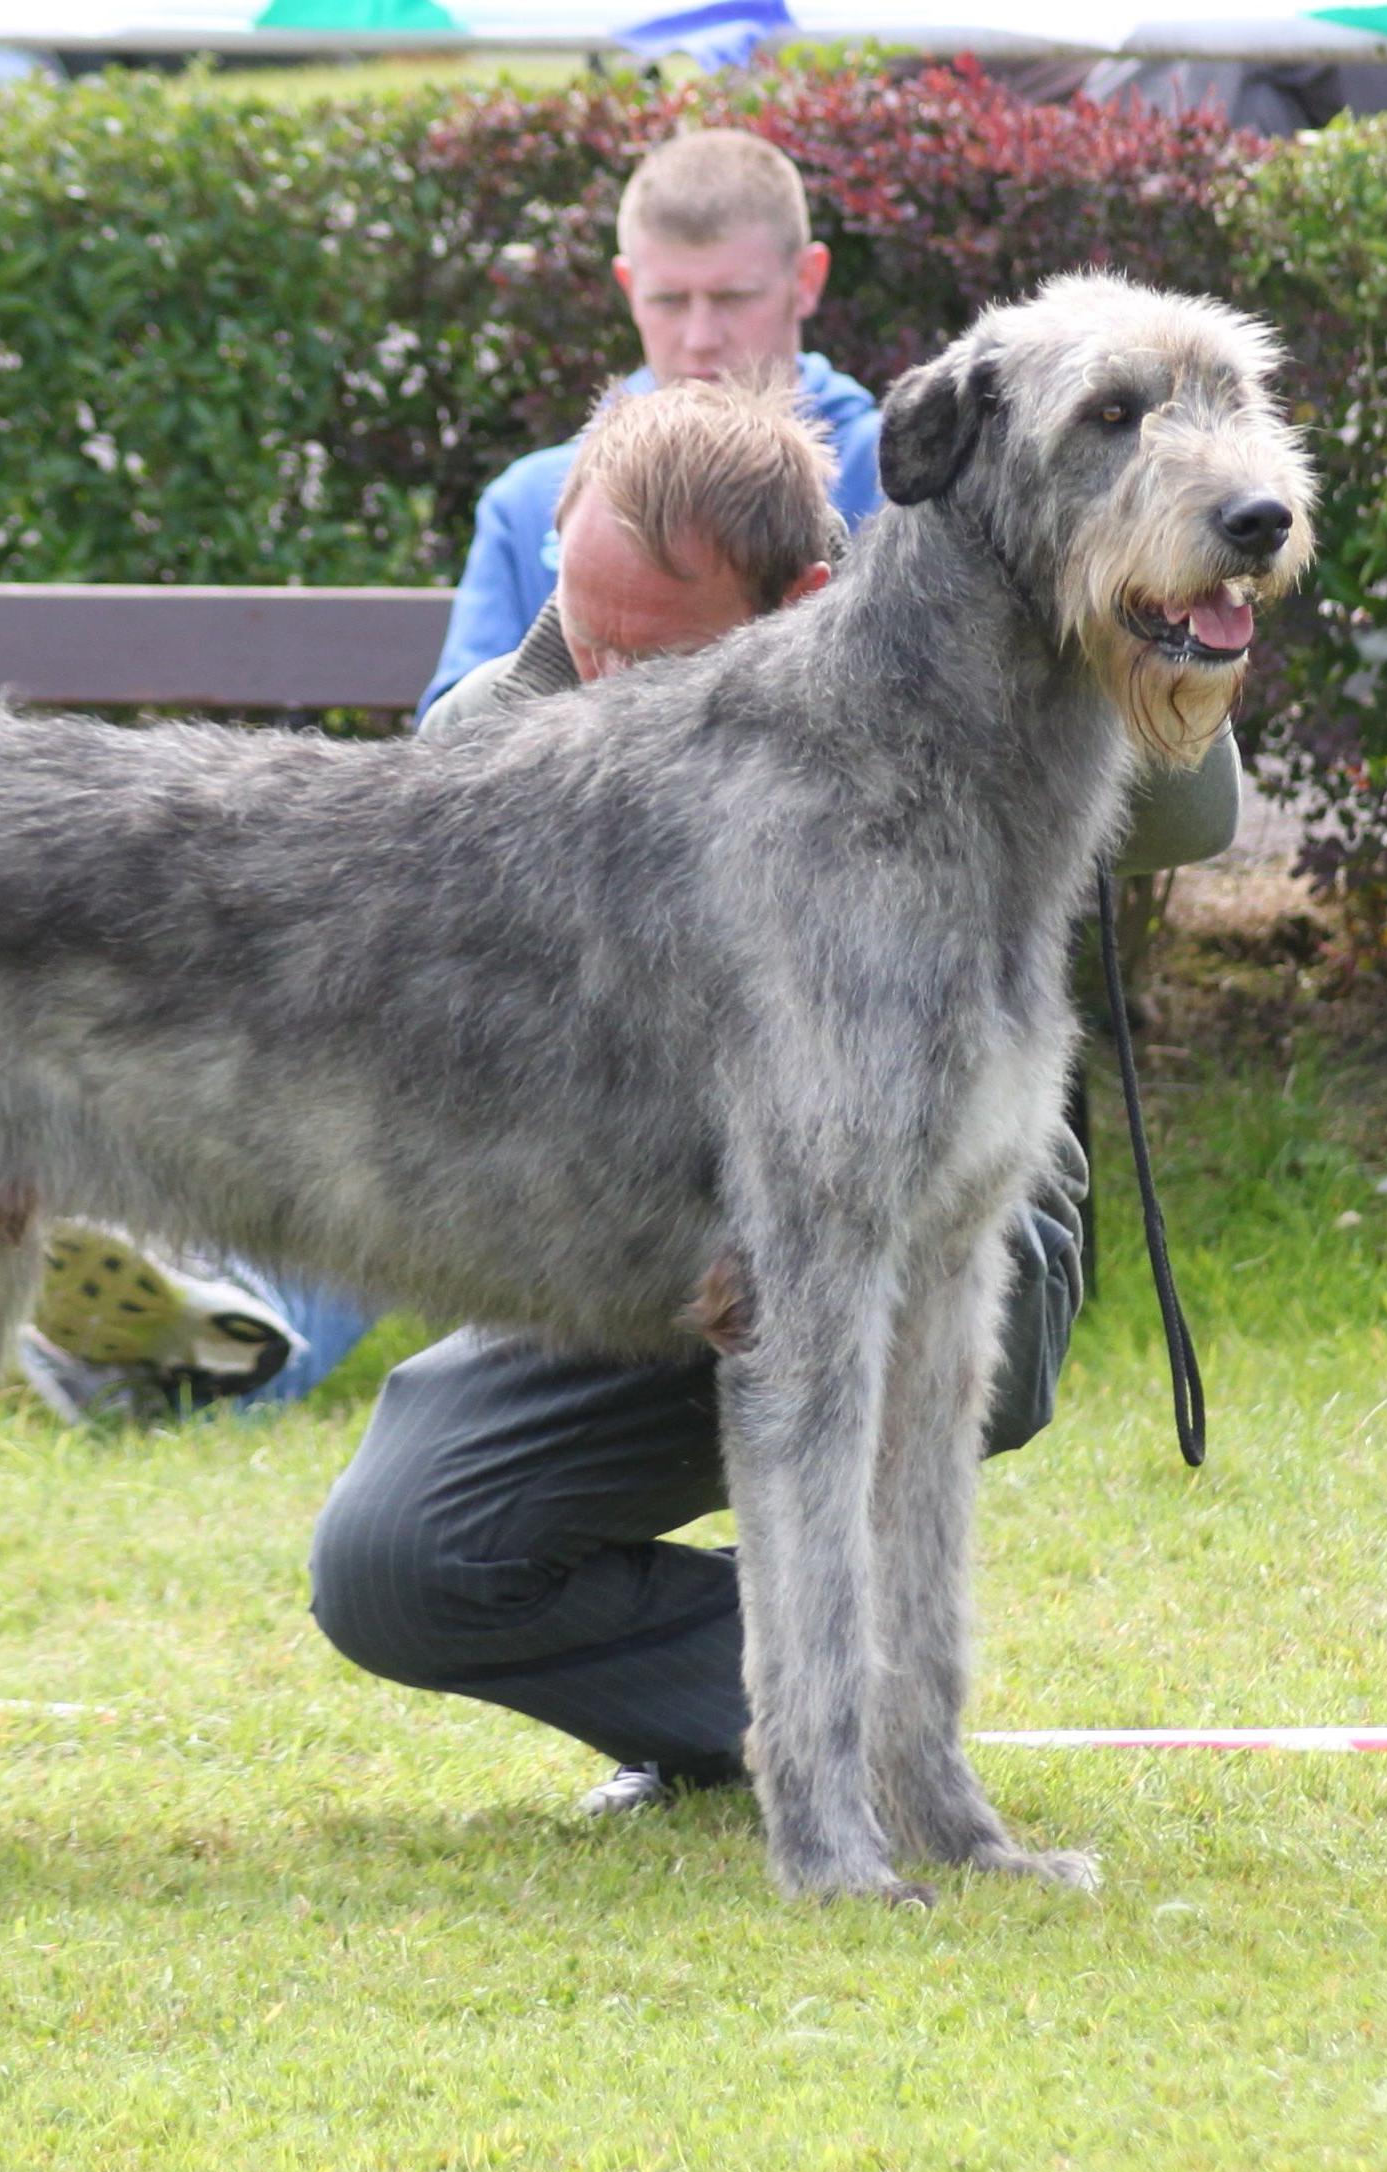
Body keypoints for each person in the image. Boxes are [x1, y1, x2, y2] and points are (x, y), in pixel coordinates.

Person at [313, 376, 1242, 1817]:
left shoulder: (940, 676)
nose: (605, 684)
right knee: (398, 1561)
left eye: (654, 651)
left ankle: (870, 1734)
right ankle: (784, 1715)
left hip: (931, 1233)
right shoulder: (510, 722)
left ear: (808, 596)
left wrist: (1125, 606)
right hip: (648, 1252)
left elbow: (1193, 812)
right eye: (581, 631)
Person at [418, 127, 882, 721]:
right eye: (668, 300)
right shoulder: (533, 497)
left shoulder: (897, 480)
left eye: (735, 297)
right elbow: (453, 747)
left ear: (807, 281)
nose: (700, 339)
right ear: (629, 288)